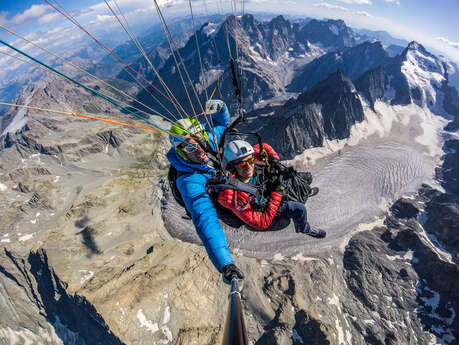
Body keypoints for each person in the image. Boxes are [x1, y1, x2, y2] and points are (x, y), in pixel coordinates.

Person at [167, 100, 244, 283]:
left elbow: (221, 126)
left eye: (200, 141)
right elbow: (206, 221)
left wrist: (222, 109)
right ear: (181, 152)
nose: (200, 150)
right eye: (191, 147)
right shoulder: (189, 181)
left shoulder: (206, 141)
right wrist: (226, 264)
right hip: (225, 204)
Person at [217, 140, 326, 237]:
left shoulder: (247, 157)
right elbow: (261, 223)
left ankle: (305, 192)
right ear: (232, 166)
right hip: (261, 208)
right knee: (299, 209)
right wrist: (277, 193)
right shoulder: (234, 198)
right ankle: (303, 228)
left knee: (304, 177)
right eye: (242, 164)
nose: (249, 166)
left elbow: (263, 146)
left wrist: (275, 160)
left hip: (264, 191)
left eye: (250, 161)